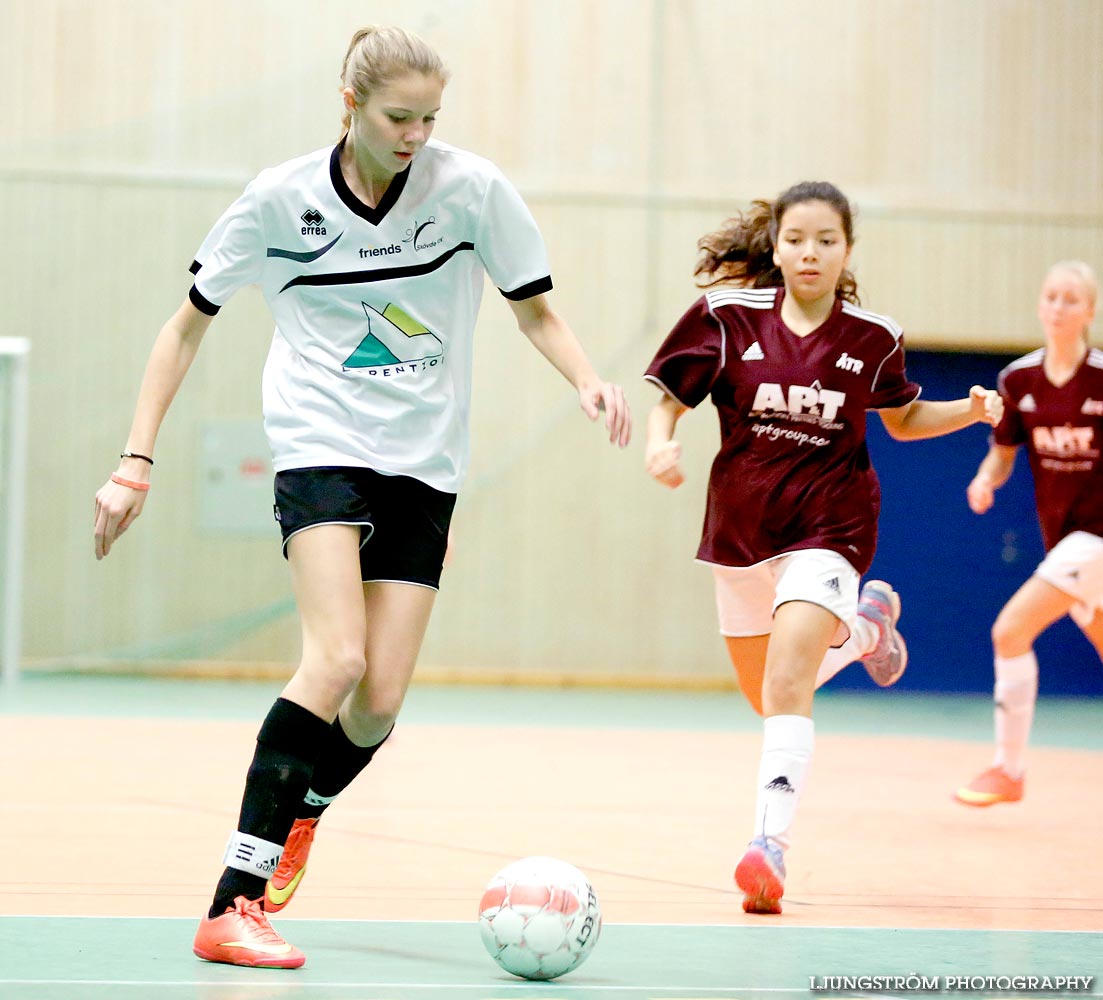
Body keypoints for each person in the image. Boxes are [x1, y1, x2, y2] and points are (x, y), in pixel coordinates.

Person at [93, 25, 631, 969]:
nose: (416, 133)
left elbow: (533, 308)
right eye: (397, 117)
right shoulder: (279, 201)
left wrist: (585, 380)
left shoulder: (471, 190)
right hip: (319, 444)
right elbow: (182, 330)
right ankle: (233, 902)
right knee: (335, 659)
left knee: (378, 702)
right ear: (349, 105)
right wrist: (135, 460)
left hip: (424, 463)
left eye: (431, 117)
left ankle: (303, 807)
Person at [643, 181, 1002, 914]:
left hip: (828, 528)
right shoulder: (724, 317)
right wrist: (659, 445)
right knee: (767, 695)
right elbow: (669, 401)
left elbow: (901, 420)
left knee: (786, 684)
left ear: (846, 250)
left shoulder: (871, 337)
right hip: (740, 533)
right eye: (796, 238)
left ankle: (766, 847)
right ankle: (867, 626)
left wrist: (965, 412)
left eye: (826, 240)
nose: (810, 252)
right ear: (775, 246)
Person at [955, 261, 1100, 808]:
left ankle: (1007, 769)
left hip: (1097, 540)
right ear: (1040, 306)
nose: (1059, 307)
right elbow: (1002, 454)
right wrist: (984, 480)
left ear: (1089, 311)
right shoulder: (1018, 380)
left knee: (1010, 631)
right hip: (1064, 543)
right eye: (1051, 297)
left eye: (1071, 299)